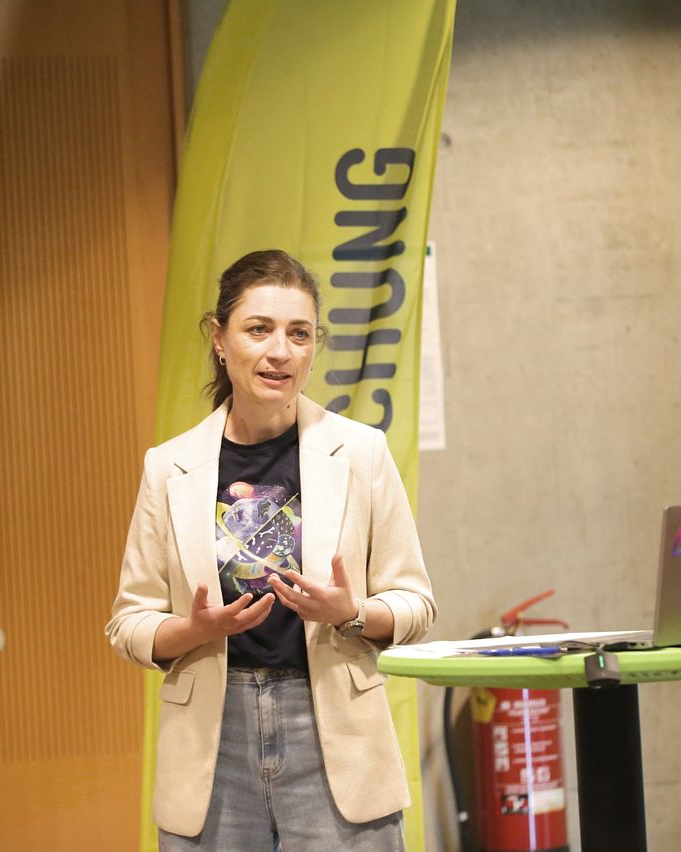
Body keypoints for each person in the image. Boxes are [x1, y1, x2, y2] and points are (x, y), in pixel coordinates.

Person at [105, 249, 436, 851]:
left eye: (299, 333)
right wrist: (193, 630)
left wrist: (352, 613)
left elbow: (416, 604)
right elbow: (129, 623)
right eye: (259, 329)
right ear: (219, 339)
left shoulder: (361, 453)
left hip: (335, 736)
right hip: (213, 741)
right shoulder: (169, 467)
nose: (280, 350)